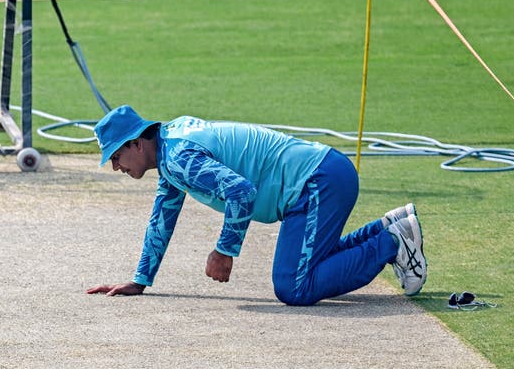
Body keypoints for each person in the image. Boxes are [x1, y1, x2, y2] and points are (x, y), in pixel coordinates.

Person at [85, 105, 426, 306]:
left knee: (295, 286)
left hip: (318, 182)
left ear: (137, 144)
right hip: (321, 176)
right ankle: (387, 229)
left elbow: (241, 192)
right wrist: (140, 280)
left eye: (116, 156)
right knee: (305, 269)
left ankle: (391, 244)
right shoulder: (170, 152)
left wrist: (224, 251)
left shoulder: (177, 158)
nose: (115, 167)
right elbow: (162, 218)